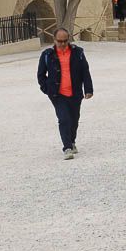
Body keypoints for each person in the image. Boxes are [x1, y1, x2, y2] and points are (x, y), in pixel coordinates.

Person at [37, 27, 94, 160]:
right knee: (64, 119)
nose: (62, 44)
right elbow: (41, 75)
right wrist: (47, 89)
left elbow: (85, 71)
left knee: (74, 120)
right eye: (59, 41)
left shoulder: (78, 52)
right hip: (58, 94)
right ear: (54, 40)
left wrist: (89, 89)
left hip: (75, 92)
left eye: (65, 41)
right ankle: (67, 147)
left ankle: (72, 141)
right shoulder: (47, 54)